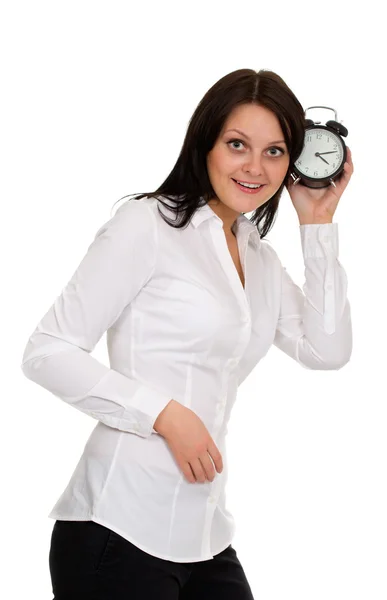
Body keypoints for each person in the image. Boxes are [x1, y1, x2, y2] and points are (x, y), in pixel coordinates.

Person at [20, 68, 354, 599]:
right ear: (206, 143)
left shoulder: (259, 260)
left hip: (205, 538)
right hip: (117, 530)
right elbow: (46, 351)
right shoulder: (147, 225)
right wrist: (165, 414)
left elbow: (327, 349)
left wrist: (317, 225)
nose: (254, 166)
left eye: (275, 151)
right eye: (237, 144)